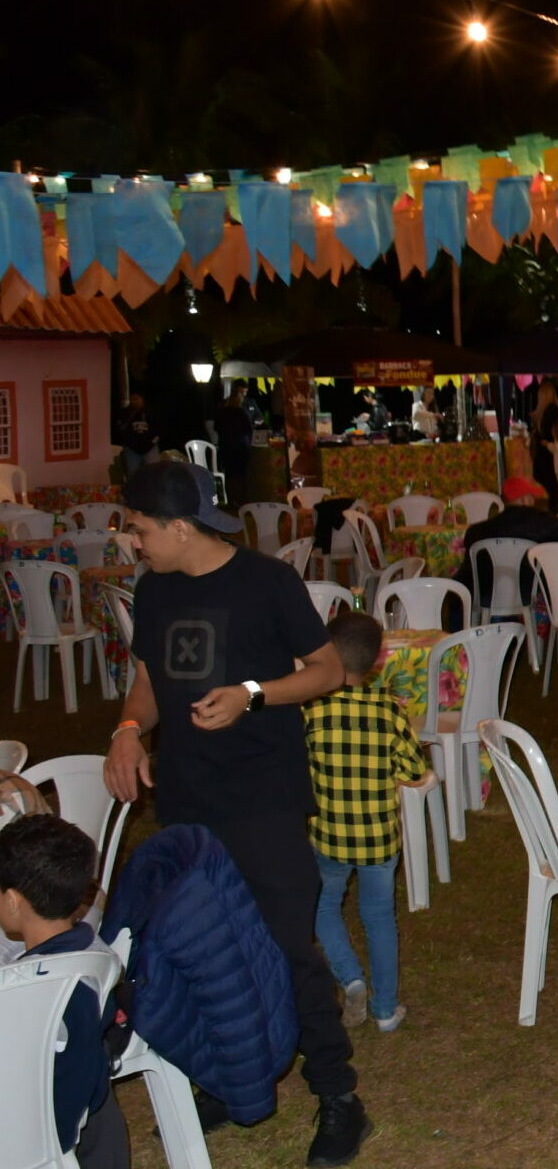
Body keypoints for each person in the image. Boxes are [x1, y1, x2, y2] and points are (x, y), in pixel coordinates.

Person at [102, 461, 370, 1164]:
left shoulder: (266, 583)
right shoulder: (155, 589)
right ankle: (229, 1080)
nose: (132, 542)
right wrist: (129, 729)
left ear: (180, 527)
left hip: (264, 797)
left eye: (138, 529)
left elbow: (326, 670)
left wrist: (252, 691)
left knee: (286, 946)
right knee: (200, 948)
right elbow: (147, 682)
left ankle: (339, 1096)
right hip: (189, 800)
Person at [305, 611, 433, 1035]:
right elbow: (414, 770)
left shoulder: (311, 712)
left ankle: (351, 978)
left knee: (323, 904)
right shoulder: (388, 712)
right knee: (379, 918)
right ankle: (384, 1009)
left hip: (328, 837)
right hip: (378, 840)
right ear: (376, 662)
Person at [0, 814, 129, 1169]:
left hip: (24, 1132)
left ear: (13, 900)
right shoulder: (97, 961)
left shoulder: (18, 988)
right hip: (79, 1120)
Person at [213, 388, 255, 501]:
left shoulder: (221, 412)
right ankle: (242, 498)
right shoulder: (241, 412)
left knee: (228, 474)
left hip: (226, 445)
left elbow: (216, 428)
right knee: (242, 474)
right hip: (241, 446)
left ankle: (230, 498)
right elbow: (249, 428)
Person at [114, 392, 158, 480]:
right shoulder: (126, 413)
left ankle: (153, 491)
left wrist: (152, 441)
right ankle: (134, 491)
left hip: (149, 448)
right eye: (133, 399)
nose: (135, 401)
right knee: (133, 474)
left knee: (154, 472)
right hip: (132, 449)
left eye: (137, 399)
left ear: (142, 400)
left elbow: (158, 428)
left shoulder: (150, 412)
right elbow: (121, 430)